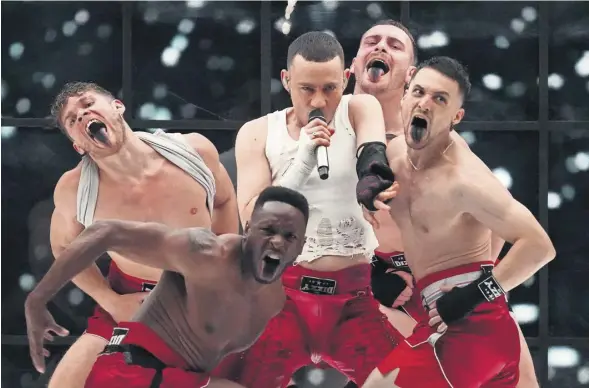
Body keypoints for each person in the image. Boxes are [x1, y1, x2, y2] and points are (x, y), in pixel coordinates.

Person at [353, 20, 540, 388]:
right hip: (399, 298)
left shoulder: (460, 172)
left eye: (439, 98)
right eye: (372, 41)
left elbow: (528, 239)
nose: (381, 48)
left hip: (461, 313)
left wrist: (479, 288)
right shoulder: (388, 150)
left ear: (456, 117)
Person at [222, 31, 405, 388]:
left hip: (355, 300)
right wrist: (302, 159)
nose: (319, 101)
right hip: (282, 297)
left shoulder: (358, 107)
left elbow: (372, 152)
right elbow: (253, 220)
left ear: (346, 80)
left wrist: (371, 183)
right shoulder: (258, 133)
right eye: (307, 89)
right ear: (286, 80)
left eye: (330, 88)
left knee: (409, 381)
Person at [44, 82, 239, 388]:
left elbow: (225, 200)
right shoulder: (74, 189)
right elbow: (64, 247)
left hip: (199, 295)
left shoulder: (194, 151)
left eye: (87, 104)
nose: (82, 115)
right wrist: (110, 301)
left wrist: (224, 272)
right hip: (130, 298)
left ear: (117, 106)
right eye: (72, 120)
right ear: (78, 146)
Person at [25, 186, 310, 388]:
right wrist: (37, 300)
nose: (277, 242)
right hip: (130, 374)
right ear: (248, 228)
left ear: (301, 247)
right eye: (268, 230)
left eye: (289, 236)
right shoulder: (204, 253)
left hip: (182, 380)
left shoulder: (274, 300)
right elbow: (105, 232)